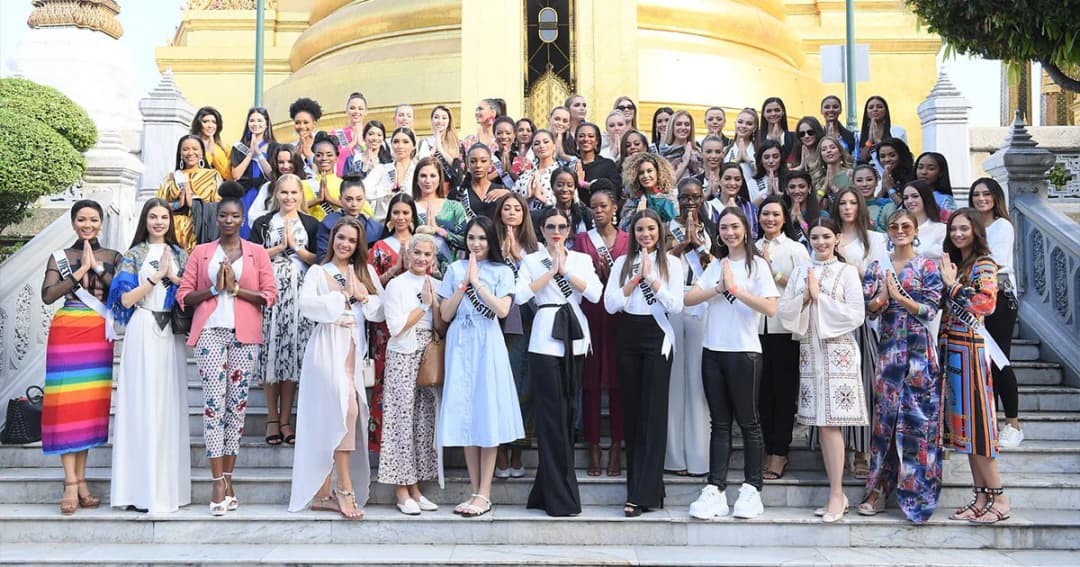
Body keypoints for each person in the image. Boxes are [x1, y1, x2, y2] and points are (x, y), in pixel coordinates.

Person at [177, 185, 278, 516]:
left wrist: (236, 290)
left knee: (236, 407)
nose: (229, 220)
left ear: (243, 218)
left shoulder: (257, 253)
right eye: (223, 215)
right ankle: (217, 480)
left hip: (244, 333)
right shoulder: (201, 252)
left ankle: (230, 476)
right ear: (216, 218)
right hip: (209, 333)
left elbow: (269, 295)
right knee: (212, 406)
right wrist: (213, 289)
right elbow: (183, 295)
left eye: (235, 215)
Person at [684, 206, 778, 520]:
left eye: (735, 227)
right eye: (724, 228)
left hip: (744, 352)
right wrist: (718, 287)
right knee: (719, 423)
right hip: (713, 350)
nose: (729, 233)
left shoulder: (758, 265)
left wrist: (735, 290)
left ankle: (752, 488)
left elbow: (770, 308)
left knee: (749, 423)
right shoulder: (717, 264)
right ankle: (716, 488)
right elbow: (690, 298)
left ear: (745, 229)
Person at [288, 216, 382, 520]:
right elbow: (306, 307)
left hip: (353, 352)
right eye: (341, 238)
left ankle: (321, 495)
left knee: (343, 415)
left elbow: (379, 311)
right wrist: (339, 297)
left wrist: (363, 295)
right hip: (326, 349)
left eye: (352, 240)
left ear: (358, 245)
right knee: (345, 412)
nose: (345, 244)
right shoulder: (318, 271)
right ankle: (343, 488)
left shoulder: (364, 271)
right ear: (332, 239)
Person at [778, 217, 868, 523]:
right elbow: (784, 310)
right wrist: (805, 296)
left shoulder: (848, 271)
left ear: (837, 238)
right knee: (821, 422)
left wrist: (820, 298)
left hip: (838, 352)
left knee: (832, 423)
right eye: (815, 237)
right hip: (809, 353)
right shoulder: (802, 271)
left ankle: (836, 493)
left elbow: (857, 314)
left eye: (826, 236)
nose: (820, 242)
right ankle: (836, 493)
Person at [858, 209, 944, 524]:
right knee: (885, 424)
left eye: (906, 225)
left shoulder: (928, 265)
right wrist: (882, 297)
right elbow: (869, 312)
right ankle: (877, 488)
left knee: (920, 425)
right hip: (890, 352)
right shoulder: (877, 267)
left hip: (921, 355)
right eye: (894, 226)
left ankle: (918, 494)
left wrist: (901, 297)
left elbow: (931, 309)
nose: (899, 230)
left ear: (916, 229)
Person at [516, 208, 603, 516]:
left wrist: (565, 272)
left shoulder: (581, 259)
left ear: (569, 230)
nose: (556, 231)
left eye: (561, 226)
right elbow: (520, 295)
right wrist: (550, 272)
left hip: (576, 336)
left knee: (568, 413)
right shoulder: (530, 260)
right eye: (550, 226)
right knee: (550, 415)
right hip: (544, 336)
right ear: (541, 230)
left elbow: (595, 294)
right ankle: (560, 495)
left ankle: (546, 488)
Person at [107, 199, 191, 513]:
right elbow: (125, 300)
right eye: (153, 217)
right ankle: (138, 490)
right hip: (143, 326)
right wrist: (157, 277)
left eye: (164, 217)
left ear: (171, 220)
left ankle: (168, 490)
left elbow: (189, 293)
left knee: (167, 405)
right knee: (141, 404)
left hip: (170, 332)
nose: (158, 222)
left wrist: (175, 276)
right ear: (145, 220)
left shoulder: (182, 254)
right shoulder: (134, 255)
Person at [438, 216, 523, 517]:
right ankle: (475, 490)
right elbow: (445, 314)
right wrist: (463, 285)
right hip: (460, 341)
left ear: (492, 241)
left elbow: (502, 310)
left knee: (486, 413)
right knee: (465, 414)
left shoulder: (502, 271)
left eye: (482, 239)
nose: (476, 244)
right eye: (471, 238)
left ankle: (484, 493)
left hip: (487, 341)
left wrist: (478, 284)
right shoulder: (455, 268)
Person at [40, 200, 121, 515]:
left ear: (101, 223)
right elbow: (48, 295)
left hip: (97, 335)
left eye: (94, 220)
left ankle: (82, 480)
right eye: (82, 220)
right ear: (73, 223)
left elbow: (120, 295)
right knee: (64, 408)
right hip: (67, 332)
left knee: (86, 409)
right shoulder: (60, 257)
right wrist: (81, 271)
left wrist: (98, 269)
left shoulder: (113, 256)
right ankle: (70, 483)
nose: (88, 225)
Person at [603, 209, 685, 517]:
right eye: (640, 229)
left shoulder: (672, 264)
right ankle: (642, 487)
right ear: (633, 233)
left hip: (657, 337)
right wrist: (635, 279)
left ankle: (643, 494)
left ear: (659, 232)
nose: (645, 234)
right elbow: (611, 305)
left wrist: (652, 279)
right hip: (628, 335)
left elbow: (676, 306)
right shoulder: (623, 264)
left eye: (651, 229)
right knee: (633, 415)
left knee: (653, 415)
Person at [940, 209, 1011, 525]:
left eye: (964, 228)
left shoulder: (984, 264)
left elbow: (985, 303)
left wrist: (953, 285)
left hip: (972, 353)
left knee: (980, 427)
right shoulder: (957, 264)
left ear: (976, 231)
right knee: (965, 429)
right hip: (953, 351)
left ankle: (999, 496)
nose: (957, 234)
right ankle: (981, 495)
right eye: (954, 228)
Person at [249, 174, 321, 446]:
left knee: (291, 352)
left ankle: (286, 420)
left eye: (294, 193)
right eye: (284, 193)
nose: (289, 198)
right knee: (271, 352)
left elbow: (320, 259)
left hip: (300, 292)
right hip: (271, 292)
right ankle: (271, 417)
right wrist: (280, 247)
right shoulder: (263, 223)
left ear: (301, 195)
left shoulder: (311, 224)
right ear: (275, 195)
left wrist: (296, 250)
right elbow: (252, 257)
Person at [379, 233, 443, 514]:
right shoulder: (396, 285)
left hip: (428, 353)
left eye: (427, 255)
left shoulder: (436, 283)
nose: (422, 259)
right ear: (408, 254)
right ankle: (401, 490)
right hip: (403, 352)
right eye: (417, 253)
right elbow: (395, 327)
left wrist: (437, 305)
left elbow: (440, 323)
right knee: (400, 420)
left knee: (422, 421)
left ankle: (416, 487)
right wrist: (425, 305)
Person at [831, 187, 889, 479]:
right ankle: (838, 449)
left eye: (853, 202)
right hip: (833, 320)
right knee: (837, 386)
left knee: (864, 386)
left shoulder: (875, 239)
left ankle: (863, 450)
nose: (848, 207)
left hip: (864, 320)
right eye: (843, 202)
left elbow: (878, 278)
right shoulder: (829, 234)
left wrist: (846, 260)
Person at [573, 189, 629, 477]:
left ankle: (617, 446)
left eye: (603, 206)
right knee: (591, 383)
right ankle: (593, 447)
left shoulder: (627, 240)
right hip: (592, 314)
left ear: (614, 207)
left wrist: (611, 278)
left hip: (619, 316)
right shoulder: (582, 240)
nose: (598, 211)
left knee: (619, 384)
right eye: (593, 206)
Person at [664, 178, 717, 478]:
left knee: (698, 382)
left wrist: (697, 243)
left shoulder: (713, 228)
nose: (690, 201)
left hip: (702, 304)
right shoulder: (664, 226)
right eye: (684, 197)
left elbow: (716, 266)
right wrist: (683, 241)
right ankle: (674, 456)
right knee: (674, 381)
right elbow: (661, 262)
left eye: (695, 196)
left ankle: (699, 457)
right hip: (672, 302)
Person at [755, 196, 810, 480]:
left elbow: (803, 288)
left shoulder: (795, 249)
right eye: (765, 214)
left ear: (784, 217)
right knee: (761, 394)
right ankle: (768, 447)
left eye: (776, 214)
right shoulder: (749, 247)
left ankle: (780, 452)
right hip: (753, 331)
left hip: (784, 329)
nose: (770, 219)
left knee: (784, 393)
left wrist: (771, 270)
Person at [970, 178, 1023, 448]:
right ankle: (987, 419)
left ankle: (1013, 423)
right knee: (981, 362)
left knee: (999, 358)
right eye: (976, 194)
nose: (981, 199)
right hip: (973, 298)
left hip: (1000, 297)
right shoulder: (971, 226)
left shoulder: (1002, 226)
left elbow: (995, 261)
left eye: (986, 194)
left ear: (995, 197)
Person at [368, 193, 422, 452]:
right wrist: (396, 267)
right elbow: (370, 286)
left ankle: (413, 446)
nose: (401, 218)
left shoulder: (423, 244)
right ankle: (385, 446)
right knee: (385, 383)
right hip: (386, 328)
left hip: (419, 322)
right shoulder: (379, 247)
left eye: (405, 212)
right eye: (396, 213)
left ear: (413, 215)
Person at [493, 193, 540, 478]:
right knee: (498, 385)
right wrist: (502, 254)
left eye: (517, 209)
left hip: (526, 322)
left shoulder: (534, 249)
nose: (511, 213)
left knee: (523, 384)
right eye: (506, 208)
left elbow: (536, 285)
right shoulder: (487, 244)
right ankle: (498, 451)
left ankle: (518, 452)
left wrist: (517, 257)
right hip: (494, 323)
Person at [157, 135, 224, 252]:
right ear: (180, 154)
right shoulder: (171, 177)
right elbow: (157, 206)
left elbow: (220, 205)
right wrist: (178, 205)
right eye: (185, 149)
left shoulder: (212, 175)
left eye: (195, 149)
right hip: (174, 232)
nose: (190, 153)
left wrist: (194, 204)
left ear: (202, 152)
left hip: (201, 231)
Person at [412, 156, 468, 276]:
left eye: (432, 176)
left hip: (451, 274)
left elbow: (466, 241)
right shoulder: (408, 208)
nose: (428, 180)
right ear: (416, 179)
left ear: (440, 179)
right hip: (417, 273)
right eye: (423, 176)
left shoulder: (454, 207)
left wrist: (438, 230)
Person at [229, 106, 276, 237]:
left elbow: (273, 175)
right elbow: (236, 175)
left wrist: (259, 154)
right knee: (243, 231)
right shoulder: (239, 147)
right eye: (252, 121)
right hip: (245, 194)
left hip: (266, 194)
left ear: (267, 124)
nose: (256, 124)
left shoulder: (274, 147)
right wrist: (250, 153)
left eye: (260, 121)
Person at [316, 176, 382, 257]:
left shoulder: (374, 228)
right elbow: (322, 257)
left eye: (359, 199)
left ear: (365, 198)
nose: (354, 204)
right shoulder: (328, 223)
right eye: (349, 199)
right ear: (340, 198)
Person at [247, 143, 309, 229]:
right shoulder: (267, 187)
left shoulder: (307, 185)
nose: (285, 166)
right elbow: (252, 216)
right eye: (281, 162)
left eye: (290, 161)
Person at [367, 127, 418, 219]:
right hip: (383, 223)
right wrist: (388, 190)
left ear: (413, 146)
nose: (400, 146)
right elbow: (365, 191)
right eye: (396, 142)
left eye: (405, 142)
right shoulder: (381, 170)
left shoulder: (418, 172)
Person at [619, 152, 678, 229]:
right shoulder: (632, 202)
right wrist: (638, 215)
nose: (646, 176)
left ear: (658, 172)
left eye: (649, 171)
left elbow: (676, 227)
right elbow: (624, 230)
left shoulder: (669, 198)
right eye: (641, 173)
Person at [706, 162, 760, 238]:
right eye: (727, 178)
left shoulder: (751, 209)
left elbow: (754, 237)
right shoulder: (707, 208)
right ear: (719, 180)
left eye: (737, 179)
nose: (732, 183)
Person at [417, 105, 465, 188]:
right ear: (431, 120)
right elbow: (422, 167)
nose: (440, 121)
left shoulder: (458, 144)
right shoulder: (425, 142)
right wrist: (435, 147)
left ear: (449, 121)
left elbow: (460, 169)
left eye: (444, 118)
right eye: (436, 117)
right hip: (431, 188)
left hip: (453, 190)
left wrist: (441, 149)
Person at [459, 143, 511, 220]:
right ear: (467, 164)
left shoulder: (503, 191)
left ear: (490, 164)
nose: (478, 165)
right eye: (473, 161)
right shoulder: (459, 193)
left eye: (483, 161)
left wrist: (509, 194)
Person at [514, 130, 563, 210]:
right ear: (532, 149)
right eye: (537, 143)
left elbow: (568, 205)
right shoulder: (525, 175)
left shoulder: (562, 173)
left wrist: (541, 198)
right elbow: (513, 202)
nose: (541, 146)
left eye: (546, 142)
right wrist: (527, 197)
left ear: (554, 146)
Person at [854, 95, 907, 166]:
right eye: (871, 107)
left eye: (879, 107)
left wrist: (877, 140)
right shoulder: (858, 136)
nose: (875, 109)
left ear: (886, 111)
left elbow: (903, 155)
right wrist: (870, 141)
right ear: (866, 112)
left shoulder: (898, 132)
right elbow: (861, 159)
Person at [303, 133, 345, 222]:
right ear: (314, 159)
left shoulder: (344, 185)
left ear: (336, 157)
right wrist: (317, 200)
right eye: (319, 155)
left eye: (329, 155)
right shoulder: (303, 184)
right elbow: (292, 209)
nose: (324, 158)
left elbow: (361, 209)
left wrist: (330, 200)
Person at [901, 180, 946, 262]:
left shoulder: (941, 229)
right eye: (905, 198)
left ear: (926, 197)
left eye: (915, 196)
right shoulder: (898, 229)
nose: (909, 201)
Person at [575, 122, 620, 199]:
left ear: (597, 141)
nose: (586, 139)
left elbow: (615, 191)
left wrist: (583, 184)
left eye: (591, 136)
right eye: (581, 136)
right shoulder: (571, 165)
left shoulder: (608, 165)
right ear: (576, 140)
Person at [550, 167, 594, 244]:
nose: (565, 189)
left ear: (575, 188)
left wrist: (573, 236)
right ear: (552, 187)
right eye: (560, 185)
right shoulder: (544, 215)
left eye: (570, 185)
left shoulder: (585, 213)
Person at [191, 106, 233, 180]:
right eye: (205, 121)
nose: (210, 126)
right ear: (198, 124)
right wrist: (209, 153)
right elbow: (195, 172)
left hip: (221, 188)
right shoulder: (191, 145)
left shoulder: (224, 148)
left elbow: (230, 176)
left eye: (214, 122)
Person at [333, 92, 369, 176]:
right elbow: (336, 158)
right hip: (344, 178)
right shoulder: (336, 134)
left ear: (366, 112)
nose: (356, 111)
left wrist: (361, 144)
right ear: (347, 111)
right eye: (352, 108)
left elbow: (374, 157)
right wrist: (352, 144)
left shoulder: (371, 134)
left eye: (360, 109)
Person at [660, 110, 703, 181]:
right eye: (679, 124)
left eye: (687, 124)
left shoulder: (698, 153)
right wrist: (685, 163)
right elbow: (667, 184)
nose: (683, 128)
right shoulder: (665, 153)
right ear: (672, 127)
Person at [915, 152, 958, 221]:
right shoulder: (909, 195)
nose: (924, 172)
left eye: (931, 168)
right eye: (920, 167)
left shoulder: (946, 200)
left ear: (940, 173)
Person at [852, 164, 896, 232]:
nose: (864, 184)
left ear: (876, 182)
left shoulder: (887, 206)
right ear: (853, 184)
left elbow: (894, 234)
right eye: (859, 180)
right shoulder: (849, 207)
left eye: (869, 179)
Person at [811, 135, 853, 205]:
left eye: (832, 147)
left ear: (840, 152)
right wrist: (824, 187)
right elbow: (813, 208)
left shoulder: (850, 174)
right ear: (821, 156)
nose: (829, 151)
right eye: (824, 149)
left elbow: (852, 203)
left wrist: (833, 187)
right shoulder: (816, 178)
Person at [783, 170, 821, 248]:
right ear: (786, 190)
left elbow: (817, 240)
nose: (797, 191)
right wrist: (790, 222)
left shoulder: (822, 215)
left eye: (802, 186)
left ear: (809, 188)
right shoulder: (780, 215)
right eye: (792, 187)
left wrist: (801, 221)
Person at [724, 108, 759, 185]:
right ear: (735, 123)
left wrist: (748, 159)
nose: (743, 126)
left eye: (749, 124)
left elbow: (763, 174)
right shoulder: (725, 150)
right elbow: (722, 174)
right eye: (740, 122)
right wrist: (737, 160)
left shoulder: (759, 150)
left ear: (755, 128)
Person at [289, 97, 323, 173]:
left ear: (314, 124)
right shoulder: (291, 147)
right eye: (297, 123)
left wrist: (309, 155)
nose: (301, 126)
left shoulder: (323, 144)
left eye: (306, 122)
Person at [759, 97, 796, 164]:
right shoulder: (757, 137)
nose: (773, 114)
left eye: (777, 110)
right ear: (764, 114)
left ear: (783, 112)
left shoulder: (793, 137)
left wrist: (779, 146)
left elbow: (791, 159)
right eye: (769, 111)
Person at [751, 139, 787, 206]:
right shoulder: (752, 182)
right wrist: (767, 194)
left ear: (781, 158)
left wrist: (779, 194)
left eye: (775, 157)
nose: (771, 161)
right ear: (761, 160)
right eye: (766, 157)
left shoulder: (789, 180)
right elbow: (749, 208)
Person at [492, 116, 520, 186]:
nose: (504, 136)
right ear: (494, 135)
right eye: (499, 133)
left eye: (508, 133)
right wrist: (500, 172)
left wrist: (510, 170)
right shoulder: (488, 159)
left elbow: (524, 184)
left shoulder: (521, 160)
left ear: (514, 136)